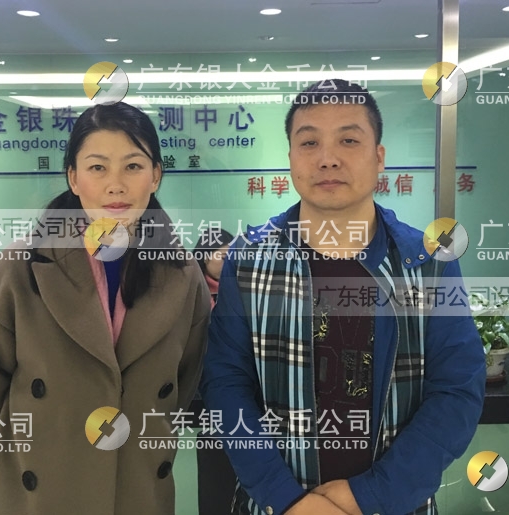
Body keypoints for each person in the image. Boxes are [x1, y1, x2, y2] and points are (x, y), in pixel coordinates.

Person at [199, 80, 486, 515]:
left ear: (379, 157)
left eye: (348, 140)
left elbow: (457, 390)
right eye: (309, 142)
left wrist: (369, 497)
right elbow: (225, 384)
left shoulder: (426, 263)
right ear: (291, 158)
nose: (328, 158)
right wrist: (286, 499)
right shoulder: (249, 261)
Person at [0, 102, 211, 515]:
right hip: (39, 489)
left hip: (136, 485)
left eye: (133, 166)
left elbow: (182, 383)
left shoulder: (182, 275)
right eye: (97, 167)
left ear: (155, 176)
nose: (116, 185)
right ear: (73, 178)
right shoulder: (20, 267)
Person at [194, 228, 234, 309]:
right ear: (206, 257)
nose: (229, 264)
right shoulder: (192, 288)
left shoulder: (235, 288)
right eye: (224, 258)